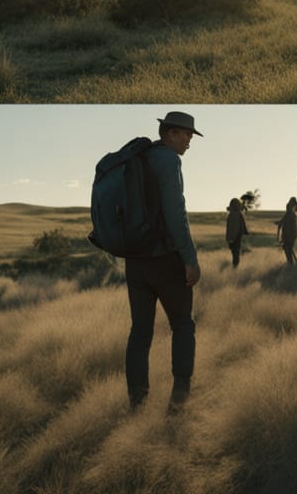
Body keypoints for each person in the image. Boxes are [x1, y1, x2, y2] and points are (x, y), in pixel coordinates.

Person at [124, 111, 202, 410]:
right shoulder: (169, 160)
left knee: (140, 331)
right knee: (183, 325)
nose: (189, 143)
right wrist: (190, 259)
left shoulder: (139, 157)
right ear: (170, 134)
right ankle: (179, 401)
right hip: (165, 260)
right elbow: (175, 213)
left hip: (135, 260)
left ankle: (137, 402)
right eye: (186, 136)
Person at [225, 197, 248, 267]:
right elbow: (238, 227)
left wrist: (230, 239)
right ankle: (235, 268)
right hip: (236, 237)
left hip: (234, 237)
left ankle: (235, 267)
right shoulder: (238, 214)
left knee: (235, 253)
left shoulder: (232, 215)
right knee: (236, 253)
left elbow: (230, 228)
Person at [276, 197, 297, 264]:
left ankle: (291, 265)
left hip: (289, 236)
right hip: (288, 236)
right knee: (289, 250)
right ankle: (292, 264)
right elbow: (280, 225)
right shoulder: (293, 216)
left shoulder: (292, 216)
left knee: (288, 251)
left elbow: (280, 225)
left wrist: (278, 237)